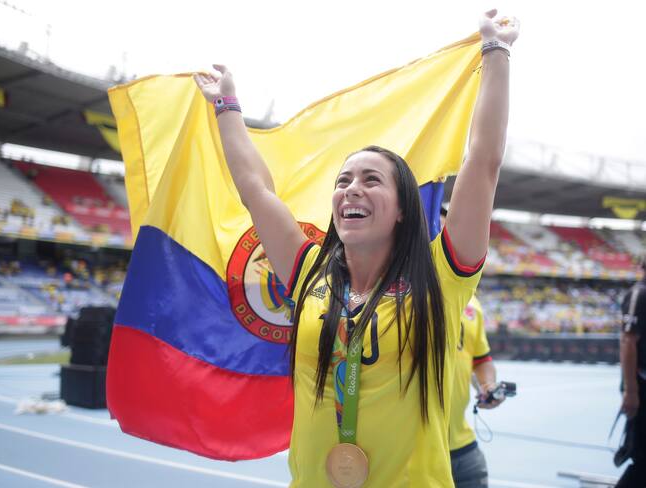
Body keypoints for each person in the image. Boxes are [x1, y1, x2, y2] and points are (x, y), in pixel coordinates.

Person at [194, 9, 519, 487]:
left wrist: (497, 51)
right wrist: (226, 106)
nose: (352, 189)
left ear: (404, 207)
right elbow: (255, 190)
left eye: (372, 180)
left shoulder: (441, 278)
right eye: (344, 180)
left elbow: (483, 162)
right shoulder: (310, 272)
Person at [440, 206, 504, 488]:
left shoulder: (472, 305)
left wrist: (488, 386)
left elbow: (481, 358)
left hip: (463, 448)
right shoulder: (397, 296)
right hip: (411, 450)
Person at [615, 257, 646, 487]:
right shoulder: (639, 294)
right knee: (642, 459)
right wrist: (631, 391)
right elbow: (628, 341)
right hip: (642, 386)